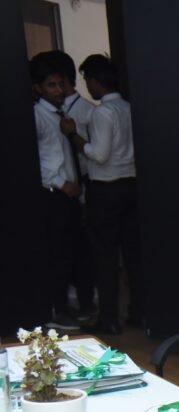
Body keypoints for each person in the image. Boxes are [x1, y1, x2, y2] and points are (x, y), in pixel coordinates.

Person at [61, 54, 140, 335]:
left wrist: (74, 135)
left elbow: (99, 154)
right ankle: (138, 312)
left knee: (105, 256)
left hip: (105, 189)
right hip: (130, 185)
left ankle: (108, 318)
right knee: (132, 254)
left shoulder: (102, 113)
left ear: (94, 81)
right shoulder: (128, 107)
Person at [30, 51, 80, 331]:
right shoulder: (37, 116)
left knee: (67, 253)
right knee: (56, 255)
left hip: (67, 195)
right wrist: (61, 183)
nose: (59, 90)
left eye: (61, 84)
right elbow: (35, 160)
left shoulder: (59, 115)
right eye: (52, 85)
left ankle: (62, 306)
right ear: (38, 87)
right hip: (52, 194)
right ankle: (54, 310)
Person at [50, 50, 97, 322]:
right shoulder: (47, 113)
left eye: (59, 83)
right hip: (65, 187)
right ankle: (67, 302)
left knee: (83, 247)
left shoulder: (88, 112)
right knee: (66, 249)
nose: (56, 90)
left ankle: (86, 299)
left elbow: (95, 154)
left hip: (86, 183)